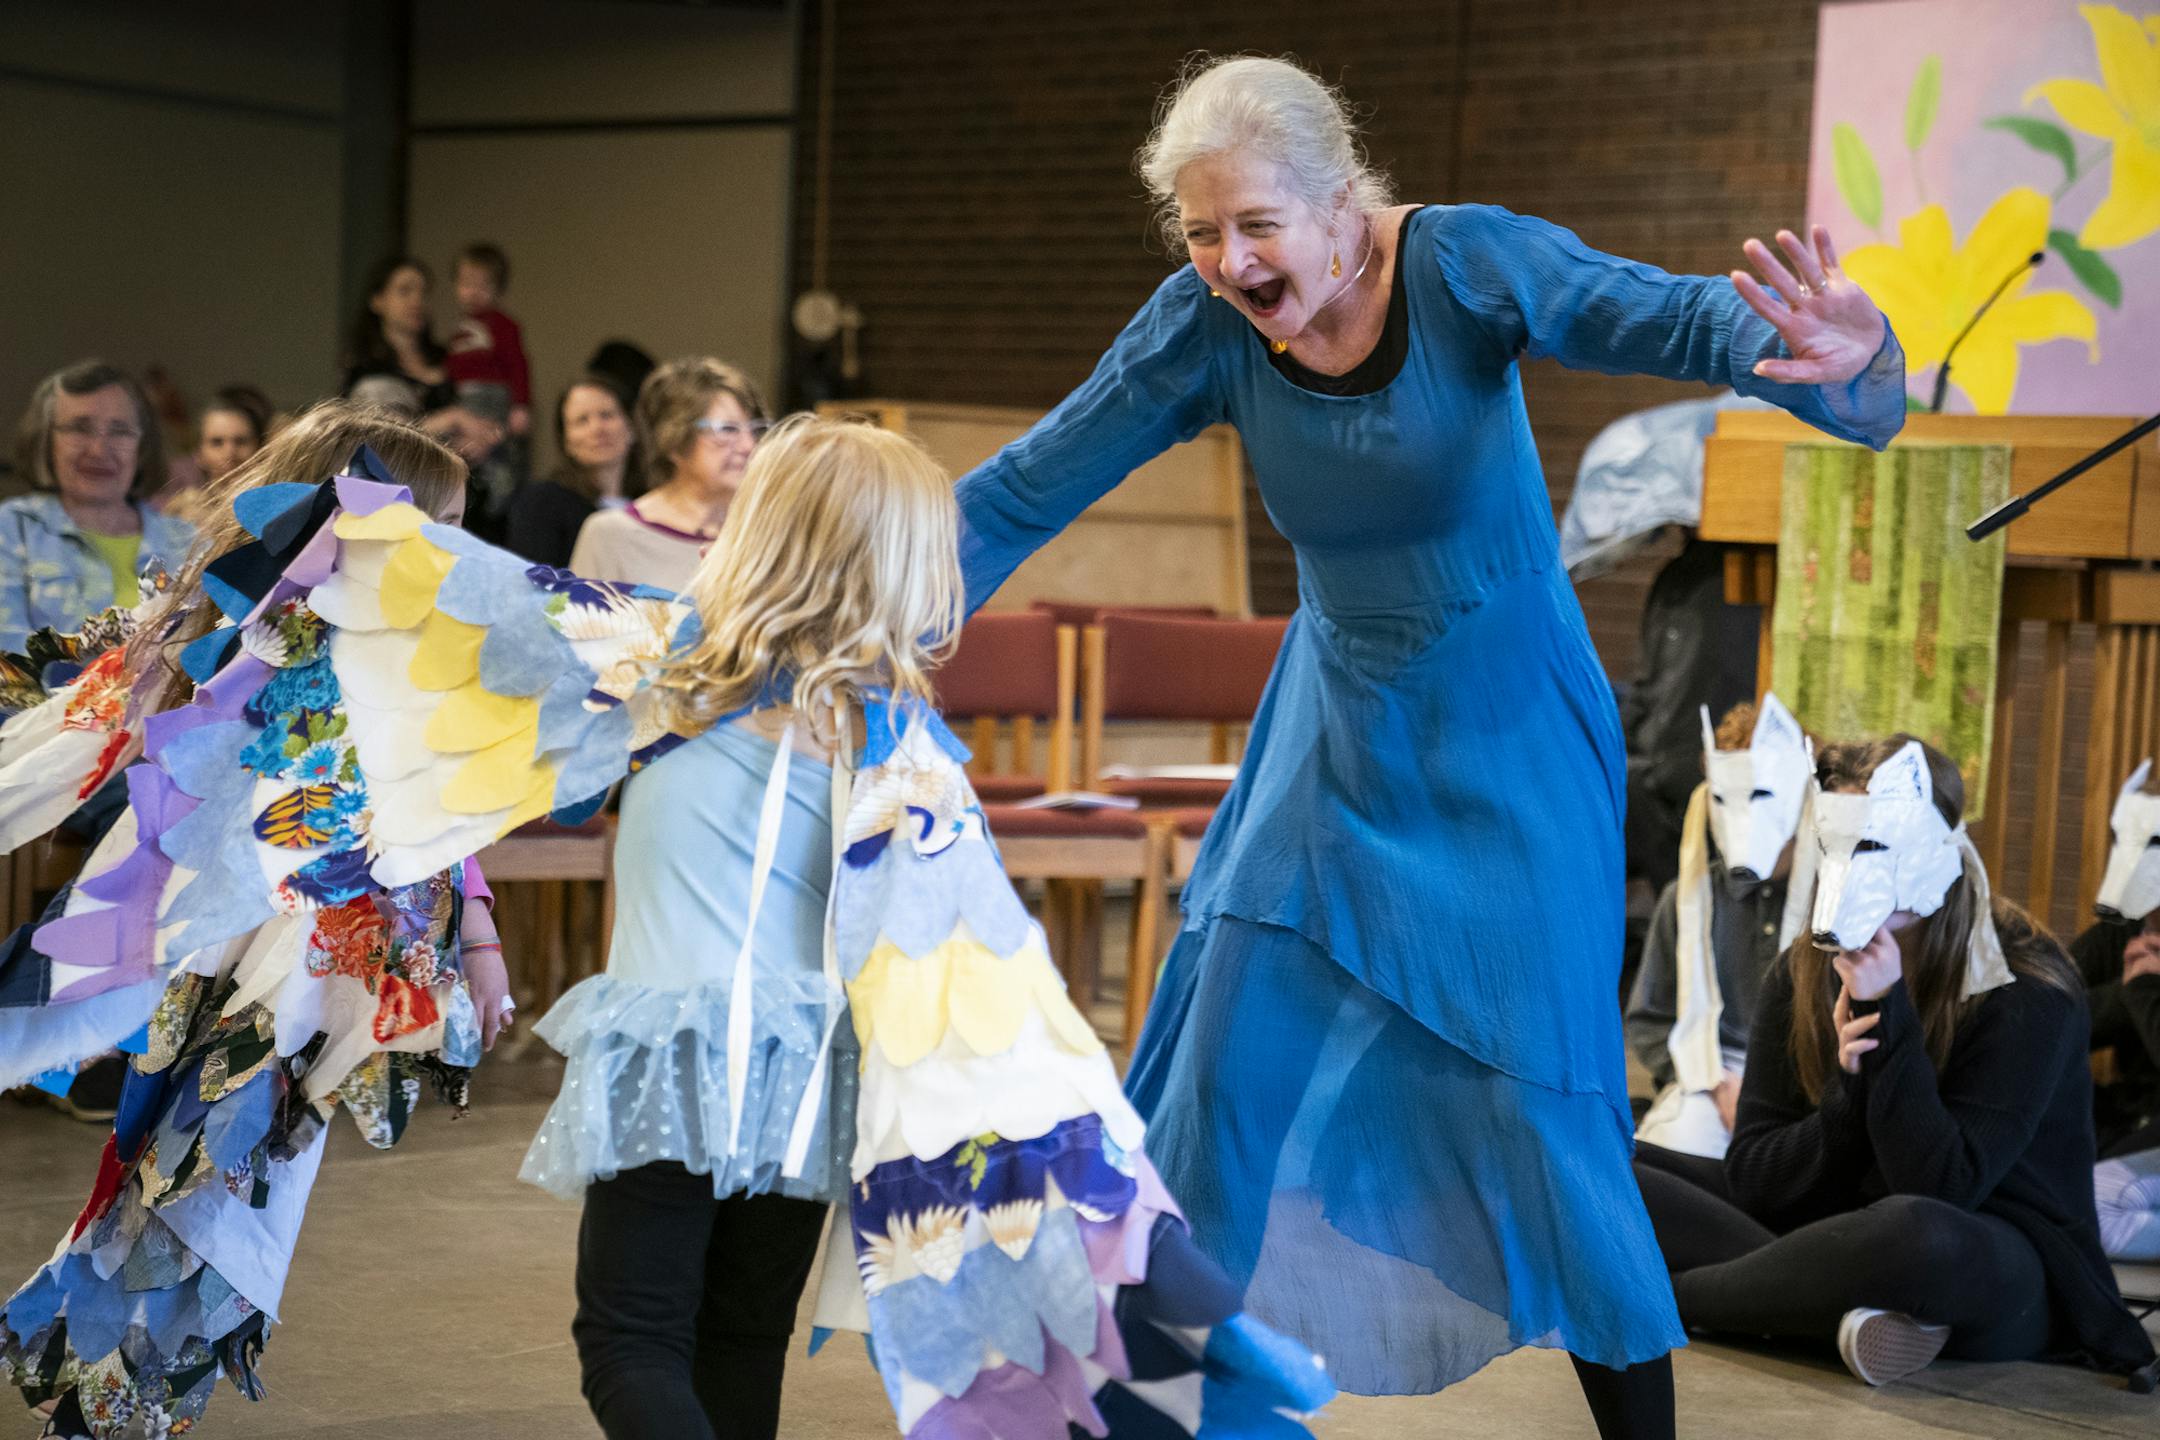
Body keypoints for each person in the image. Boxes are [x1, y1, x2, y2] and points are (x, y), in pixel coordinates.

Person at [956, 54, 1907, 1436]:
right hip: (1330, 740)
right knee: (1222, 1076)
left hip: (1509, 741)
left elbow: (1670, 315)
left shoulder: (1465, 267)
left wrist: (1849, 357)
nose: (1228, 260)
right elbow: (1030, 483)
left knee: (1549, 1122)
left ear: (1344, 205)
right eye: (1202, 232)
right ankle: (1153, 1421)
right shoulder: (1206, 327)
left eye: (1256, 226)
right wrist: (844, 588)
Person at [290, 412, 1329, 1439]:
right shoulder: (899, 732)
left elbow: (527, 746)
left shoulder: (655, 667)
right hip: (814, 1070)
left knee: (631, 1341)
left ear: (763, 529)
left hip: (677, 1052)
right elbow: (973, 944)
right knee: (742, 1335)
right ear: (906, 565)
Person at [0, 403, 517, 1439]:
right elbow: (85, 727)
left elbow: (444, 807)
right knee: (192, 1174)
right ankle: (106, 1397)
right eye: (439, 519)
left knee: (233, 1186)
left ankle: (114, 1395)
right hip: (220, 947)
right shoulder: (240, 629)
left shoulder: (419, 650)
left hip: (328, 968)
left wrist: (480, 936)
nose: (456, 544)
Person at [1634, 736, 2157, 1391]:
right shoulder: (1803, 970)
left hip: (1997, 1255)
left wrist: (1888, 1019)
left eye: (1875, 845)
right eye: (1834, 845)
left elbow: (1940, 1186)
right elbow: (1757, 1179)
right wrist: (1845, 1097)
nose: (1849, 868)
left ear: (1939, 846)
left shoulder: (2028, 987)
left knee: (1914, 1235)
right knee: (1611, 1155)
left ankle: (1674, 1300)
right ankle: (1835, 1309)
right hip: (1834, 1226)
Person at [1628, 695, 1810, 1160]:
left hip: (1812, 1084)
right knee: (1661, 1167)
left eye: (1763, 795)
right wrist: (1709, 1078)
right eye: (1725, 798)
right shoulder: (1688, 899)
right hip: (1713, 1074)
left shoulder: (1836, 904)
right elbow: (1651, 1019)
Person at [0, 361, 198, 654]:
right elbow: (7, 673)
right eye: (79, 428)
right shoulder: (12, 530)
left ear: (142, 446)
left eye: (119, 431)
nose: (98, 449)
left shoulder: (189, 544)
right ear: (45, 439)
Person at [568, 357, 767, 591]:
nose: (748, 446)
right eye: (727, 429)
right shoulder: (610, 535)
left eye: (755, 429)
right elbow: (577, 625)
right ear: (674, 439)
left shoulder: (767, 533)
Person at [2077, 760, 2160, 1259]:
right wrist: (2128, 991)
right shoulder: (2117, 935)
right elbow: (2052, 1022)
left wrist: (2145, 990)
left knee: (2094, 1204)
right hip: (2127, 1119)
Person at [341, 255, 503, 472]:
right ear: (377, 300)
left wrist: (483, 438)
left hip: (461, 477)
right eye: (405, 291)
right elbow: (379, 437)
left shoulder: (448, 358)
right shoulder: (365, 368)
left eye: (423, 292)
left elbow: (487, 409)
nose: (417, 300)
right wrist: (451, 419)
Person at [505, 374, 643, 568]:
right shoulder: (541, 503)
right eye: (581, 420)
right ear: (566, 441)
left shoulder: (656, 501)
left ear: (631, 428)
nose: (597, 429)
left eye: (607, 415)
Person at [446, 241, 535, 535]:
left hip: (494, 398)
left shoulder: (503, 325)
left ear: (498, 289)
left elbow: (518, 366)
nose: (473, 292)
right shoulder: (459, 331)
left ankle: (496, 504)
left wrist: (521, 405)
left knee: (497, 459)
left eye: (483, 285)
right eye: (466, 284)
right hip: (464, 400)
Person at [150, 385, 276, 528]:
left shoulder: (275, 506)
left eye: (241, 441)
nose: (230, 453)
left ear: (259, 448)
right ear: (199, 453)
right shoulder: (179, 505)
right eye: (217, 442)